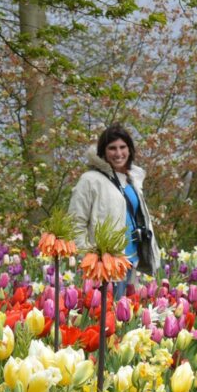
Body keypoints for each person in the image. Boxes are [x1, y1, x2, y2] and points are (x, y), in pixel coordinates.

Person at [68, 124, 161, 300]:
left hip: (131, 259)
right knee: (107, 314)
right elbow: (75, 222)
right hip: (105, 262)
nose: (118, 153)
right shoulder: (89, 180)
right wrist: (89, 256)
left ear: (130, 149)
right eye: (112, 148)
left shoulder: (132, 179)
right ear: (103, 151)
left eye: (122, 147)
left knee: (123, 316)